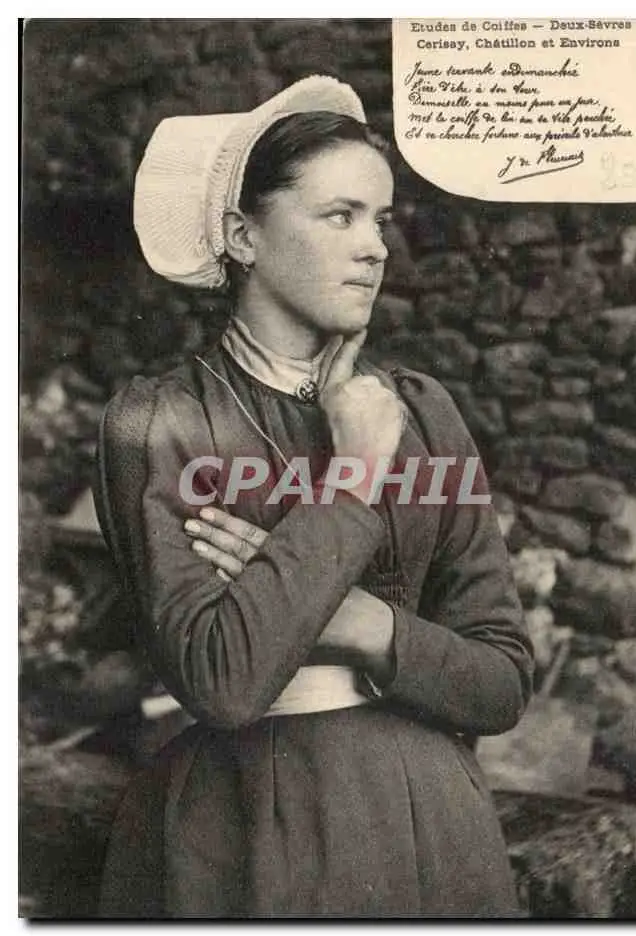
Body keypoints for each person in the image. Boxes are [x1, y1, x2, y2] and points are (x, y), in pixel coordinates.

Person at [94, 74, 534, 918]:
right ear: (242, 235)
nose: (375, 248)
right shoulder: (160, 423)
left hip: (430, 820)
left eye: (380, 220)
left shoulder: (421, 411)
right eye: (340, 216)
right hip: (246, 828)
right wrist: (355, 476)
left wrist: (358, 624)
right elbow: (223, 681)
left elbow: (501, 683)